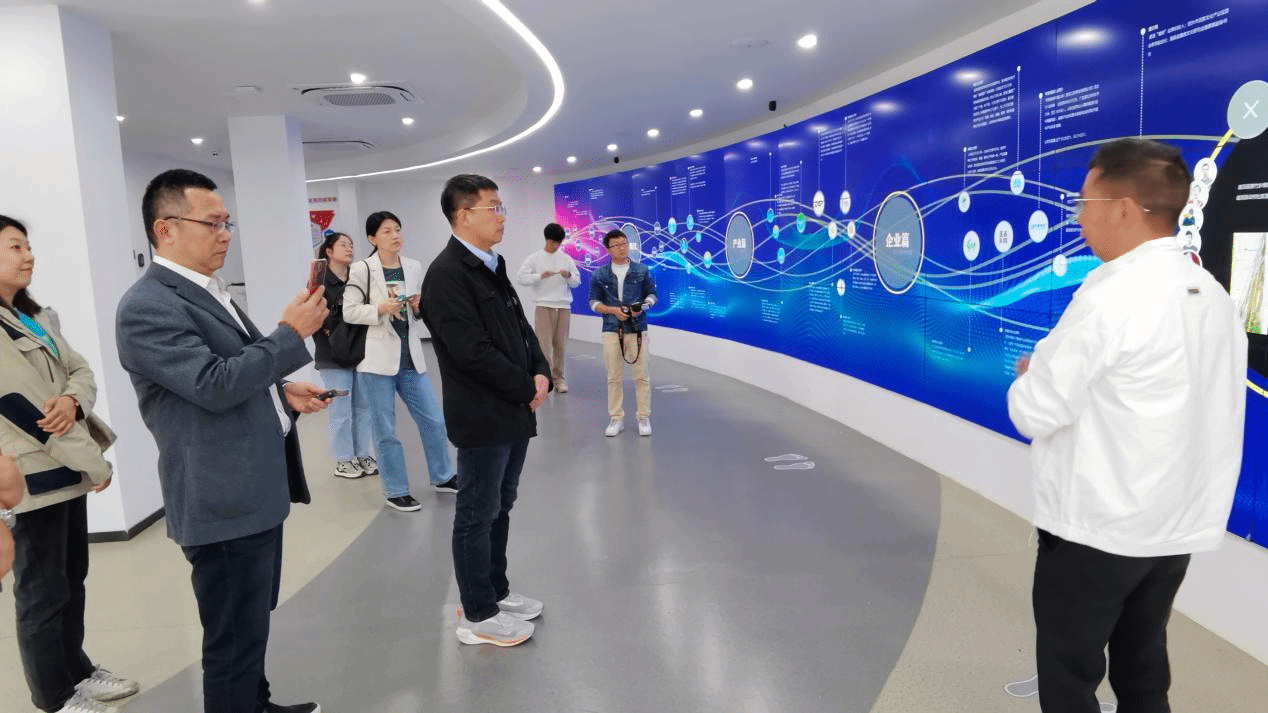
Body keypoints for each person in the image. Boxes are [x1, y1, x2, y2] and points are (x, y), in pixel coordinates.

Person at [1007, 138, 1248, 713]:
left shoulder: (1111, 297)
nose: (1078, 217)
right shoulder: (1213, 297)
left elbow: (1034, 411)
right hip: (1173, 529)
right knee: (1143, 670)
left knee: (1068, 677)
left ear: (1121, 209)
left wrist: (1030, 374)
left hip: (1098, 529)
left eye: (1084, 203)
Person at [115, 170, 328, 713]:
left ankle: (256, 704)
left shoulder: (206, 290)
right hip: (221, 499)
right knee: (231, 640)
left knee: (250, 625)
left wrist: (282, 391)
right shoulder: (148, 306)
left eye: (226, 222)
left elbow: (229, 371)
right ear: (165, 228)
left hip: (252, 489)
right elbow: (212, 386)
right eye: (211, 223)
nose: (225, 234)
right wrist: (290, 334)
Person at [0, 215, 138, 713]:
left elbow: (79, 370)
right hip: (32, 477)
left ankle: (76, 673)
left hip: (64, 472)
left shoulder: (33, 315)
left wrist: (74, 400)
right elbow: (27, 409)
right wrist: (95, 464)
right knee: (41, 591)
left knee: (70, 578)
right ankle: (54, 696)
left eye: (27, 246)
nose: (28, 255)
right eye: (15, 247)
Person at [420, 174, 551, 647]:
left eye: (501, 207)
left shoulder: (490, 265)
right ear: (462, 216)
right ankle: (477, 614)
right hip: (482, 415)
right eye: (492, 208)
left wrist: (541, 370)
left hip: (512, 410)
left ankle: (495, 591)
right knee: (476, 513)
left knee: (500, 505)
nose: (501, 217)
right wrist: (524, 387)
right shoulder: (447, 275)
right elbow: (471, 353)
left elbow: (521, 328)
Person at [343, 211, 456, 512]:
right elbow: (349, 311)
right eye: (387, 231)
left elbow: (417, 315)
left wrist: (418, 308)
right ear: (372, 238)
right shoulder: (362, 269)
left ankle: (443, 476)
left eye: (397, 229)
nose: (395, 235)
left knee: (433, 420)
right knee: (385, 431)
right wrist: (381, 308)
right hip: (377, 362)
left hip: (411, 359)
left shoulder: (413, 266)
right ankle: (395, 490)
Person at [311, 232, 377, 479]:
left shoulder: (358, 278)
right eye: (343, 244)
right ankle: (343, 459)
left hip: (359, 350)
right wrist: (330, 329)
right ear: (328, 251)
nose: (349, 248)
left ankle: (362, 454)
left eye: (351, 244)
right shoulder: (319, 281)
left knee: (363, 407)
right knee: (341, 408)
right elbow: (312, 313)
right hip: (332, 356)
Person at [589, 229, 658, 437]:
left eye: (624, 243)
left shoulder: (642, 270)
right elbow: (593, 302)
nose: (622, 248)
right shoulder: (600, 274)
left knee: (642, 375)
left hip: (637, 328)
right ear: (608, 249)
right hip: (611, 329)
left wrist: (643, 306)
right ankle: (616, 418)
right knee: (613, 376)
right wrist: (612, 311)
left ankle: (643, 417)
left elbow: (652, 295)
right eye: (617, 245)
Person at [516, 223, 580, 392]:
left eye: (559, 242)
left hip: (563, 307)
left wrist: (569, 275)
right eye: (553, 242)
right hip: (543, 306)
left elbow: (576, 281)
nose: (556, 245)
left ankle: (559, 379)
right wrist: (539, 276)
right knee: (543, 347)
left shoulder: (566, 259)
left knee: (561, 345)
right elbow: (521, 277)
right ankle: (544, 380)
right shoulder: (534, 258)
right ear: (547, 240)